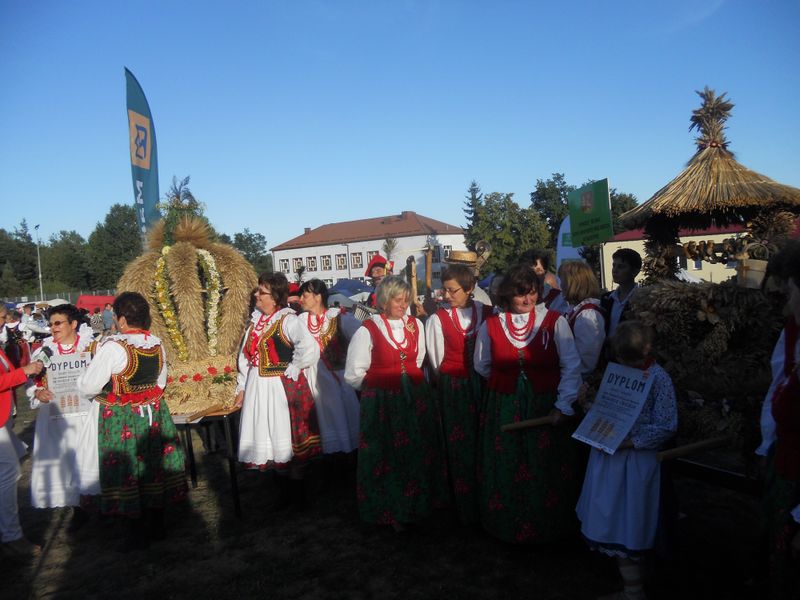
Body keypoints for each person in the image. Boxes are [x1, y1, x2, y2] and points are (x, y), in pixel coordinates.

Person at [473, 264, 582, 543]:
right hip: (504, 406)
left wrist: (563, 404)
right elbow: (482, 365)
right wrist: (508, 384)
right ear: (508, 295)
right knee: (507, 463)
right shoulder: (492, 325)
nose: (527, 299)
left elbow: (571, 365)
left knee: (544, 466)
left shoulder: (555, 321)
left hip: (544, 406)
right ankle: (508, 525)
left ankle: (549, 526)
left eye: (532, 293)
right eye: (521, 293)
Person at [76, 292, 186, 550]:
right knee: (151, 463)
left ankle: (134, 531)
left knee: (125, 466)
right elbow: (160, 383)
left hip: (120, 416)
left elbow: (89, 385)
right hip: (152, 412)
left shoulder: (114, 347)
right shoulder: (156, 344)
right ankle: (157, 524)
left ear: (122, 319)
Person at [576, 321, 678, 600]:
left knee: (630, 521)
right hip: (610, 458)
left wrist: (630, 442)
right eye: (622, 359)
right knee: (610, 516)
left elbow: (666, 425)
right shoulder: (618, 372)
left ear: (646, 350)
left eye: (631, 360)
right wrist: (588, 405)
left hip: (636, 462)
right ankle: (631, 586)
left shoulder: (659, 379)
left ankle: (635, 591)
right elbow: (608, 408)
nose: (626, 365)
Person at [345, 275, 447, 529]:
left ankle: (420, 503)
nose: (403, 305)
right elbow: (354, 373)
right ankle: (391, 509)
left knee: (418, 450)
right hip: (383, 403)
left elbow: (418, 358)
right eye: (397, 300)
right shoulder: (367, 330)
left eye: (406, 300)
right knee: (387, 454)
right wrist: (377, 392)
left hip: (415, 398)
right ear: (384, 301)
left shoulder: (415, 325)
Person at [235, 273, 321, 507]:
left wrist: (295, 365)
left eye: (261, 292)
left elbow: (309, 347)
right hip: (258, 388)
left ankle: (297, 495)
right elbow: (244, 359)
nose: (256, 295)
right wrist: (242, 386)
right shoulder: (255, 324)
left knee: (285, 436)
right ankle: (282, 492)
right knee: (269, 436)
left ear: (274, 297)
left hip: (280, 388)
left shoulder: (288, 320)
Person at [425, 264, 492, 524]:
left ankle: (488, 501)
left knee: (484, 442)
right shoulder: (438, 319)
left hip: (484, 384)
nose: (447, 295)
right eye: (445, 290)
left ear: (469, 288)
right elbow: (437, 361)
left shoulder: (487, 312)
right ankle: (463, 506)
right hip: (455, 388)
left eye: (453, 290)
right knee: (459, 445)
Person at [26, 304, 97, 526]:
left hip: (86, 412)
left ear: (73, 324)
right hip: (58, 417)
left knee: (90, 456)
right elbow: (33, 383)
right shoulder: (45, 352)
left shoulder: (90, 345)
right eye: (50, 324)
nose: (53, 328)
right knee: (65, 460)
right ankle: (78, 508)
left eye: (58, 323)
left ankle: (100, 503)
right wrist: (38, 393)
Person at [759, 242, 800, 598]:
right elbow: (778, 385)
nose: (783, 299)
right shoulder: (791, 332)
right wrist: (767, 443)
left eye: (788, 290)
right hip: (787, 457)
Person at [298, 279, 360, 454]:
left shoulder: (339, 318)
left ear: (318, 297)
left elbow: (362, 338)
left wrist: (353, 362)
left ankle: (346, 455)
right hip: (312, 378)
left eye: (305, 295)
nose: (301, 299)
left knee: (340, 415)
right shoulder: (300, 321)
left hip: (337, 378)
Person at [0, 349, 43, 558]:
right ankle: (11, 535)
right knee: (10, 471)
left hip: (4, 417)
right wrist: (24, 371)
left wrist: (30, 381)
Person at [558, 261, 607, 378]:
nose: (561, 285)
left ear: (573, 283)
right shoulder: (577, 310)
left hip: (579, 381)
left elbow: (587, 360)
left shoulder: (587, 314)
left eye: (563, 281)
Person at [601, 248, 642, 337]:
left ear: (634, 272)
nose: (615, 270)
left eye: (621, 267)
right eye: (614, 265)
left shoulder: (643, 299)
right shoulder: (606, 298)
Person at [520, 249, 569, 314]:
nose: (534, 275)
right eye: (529, 271)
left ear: (545, 273)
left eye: (538, 270)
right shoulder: (516, 296)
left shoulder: (557, 298)